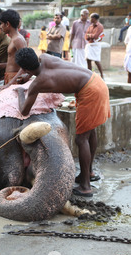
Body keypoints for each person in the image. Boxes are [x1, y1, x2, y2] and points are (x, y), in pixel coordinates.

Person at [14, 47, 110, 197]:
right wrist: (29, 76)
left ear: (24, 68)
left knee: (81, 139)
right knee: (91, 131)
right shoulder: (46, 57)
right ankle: (88, 173)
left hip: (90, 92)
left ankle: (85, 186)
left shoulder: (38, 84)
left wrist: (20, 92)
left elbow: (24, 111)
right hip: (96, 81)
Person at [0, 9, 27, 90]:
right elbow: (14, 61)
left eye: (2, 23)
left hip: (15, 80)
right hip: (11, 78)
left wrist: (9, 84)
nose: (1, 26)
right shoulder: (13, 38)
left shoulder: (18, 40)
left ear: (7, 24)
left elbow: (25, 65)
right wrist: (0, 66)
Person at [85, 13, 105, 79]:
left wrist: (89, 35)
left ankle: (102, 75)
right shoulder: (90, 26)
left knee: (96, 60)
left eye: (91, 18)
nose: (90, 19)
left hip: (96, 45)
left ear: (95, 19)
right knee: (88, 60)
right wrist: (90, 36)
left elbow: (96, 36)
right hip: (90, 44)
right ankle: (89, 74)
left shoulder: (100, 26)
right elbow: (86, 35)